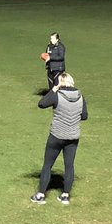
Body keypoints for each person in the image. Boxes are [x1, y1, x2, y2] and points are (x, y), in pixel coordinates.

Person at [31, 72, 88, 205]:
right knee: (69, 166)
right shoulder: (80, 97)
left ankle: (40, 195)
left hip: (56, 136)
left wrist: (53, 90)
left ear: (60, 83)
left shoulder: (57, 95)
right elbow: (84, 116)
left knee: (47, 165)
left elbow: (42, 103)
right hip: (73, 137)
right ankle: (65, 195)